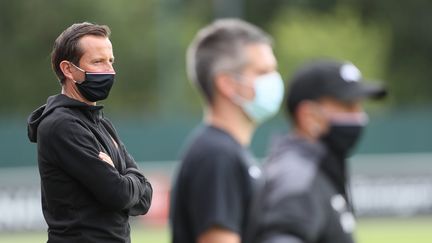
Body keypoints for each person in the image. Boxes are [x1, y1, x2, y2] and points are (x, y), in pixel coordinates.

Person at [27, 22, 152, 243]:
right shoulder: (61, 126)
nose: (109, 70)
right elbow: (119, 194)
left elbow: (145, 198)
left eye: (110, 61)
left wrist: (126, 177)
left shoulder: (101, 123)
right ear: (68, 69)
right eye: (98, 62)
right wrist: (128, 177)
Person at [169, 19, 284, 243]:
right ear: (227, 84)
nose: (274, 80)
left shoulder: (229, 150)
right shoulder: (217, 155)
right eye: (263, 71)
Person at [247, 59, 387, 243]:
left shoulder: (317, 169)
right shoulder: (297, 177)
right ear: (308, 115)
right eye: (348, 106)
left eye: (360, 106)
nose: (359, 116)